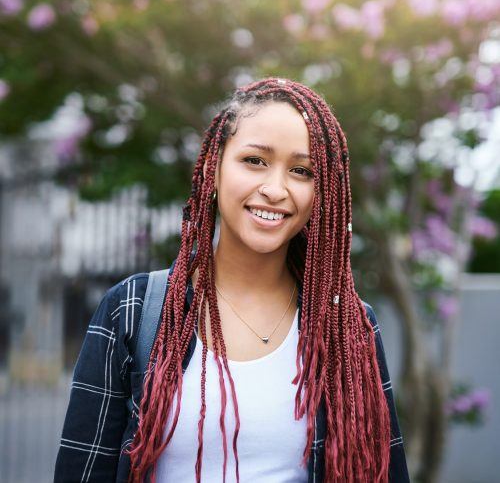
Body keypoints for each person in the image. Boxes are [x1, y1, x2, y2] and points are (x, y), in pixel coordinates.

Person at [54, 77, 410, 482]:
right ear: (213, 166)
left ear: (321, 192)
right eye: (255, 160)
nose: (275, 189)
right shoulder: (133, 310)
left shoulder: (348, 326)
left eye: (301, 170)